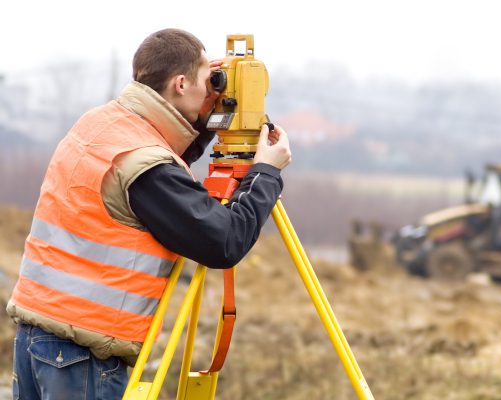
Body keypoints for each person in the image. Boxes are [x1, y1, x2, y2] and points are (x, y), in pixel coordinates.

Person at [6, 28, 291, 399]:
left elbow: (156, 177)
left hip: (38, 338)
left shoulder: (103, 124)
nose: (212, 91)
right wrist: (266, 173)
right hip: (82, 354)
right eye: (208, 81)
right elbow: (224, 240)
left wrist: (203, 124)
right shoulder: (146, 165)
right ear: (181, 82)